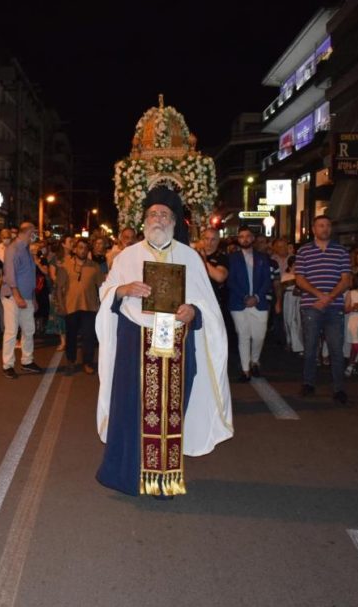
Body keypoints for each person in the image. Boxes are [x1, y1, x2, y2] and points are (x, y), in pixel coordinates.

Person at [96, 186, 233, 498]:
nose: (157, 218)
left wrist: (192, 310)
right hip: (134, 344)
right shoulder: (127, 256)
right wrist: (123, 290)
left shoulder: (190, 257)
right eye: (152, 214)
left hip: (176, 345)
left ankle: (162, 481)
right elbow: (106, 293)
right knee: (131, 409)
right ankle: (127, 476)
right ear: (144, 220)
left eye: (164, 214)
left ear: (173, 221)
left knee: (170, 410)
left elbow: (207, 304)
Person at [295, 215, 352, 404]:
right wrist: (320, 295)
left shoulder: (341, 251)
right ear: (314, 229)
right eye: (321, 225)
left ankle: (339, 388)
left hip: (334, 307)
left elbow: (346, 280)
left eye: (327, 225)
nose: (325, 229)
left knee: (336, 348)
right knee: (311, 347)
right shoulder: (304, 251)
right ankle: (308, 383)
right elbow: (300, 279)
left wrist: (330, 297)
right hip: (311, 306)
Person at [227, 225, 276, 382]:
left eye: (248, 236)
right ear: (238, 239)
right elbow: (230, 281)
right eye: (241, 237)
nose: (245, 239)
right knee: (243, 335)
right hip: (238, 302)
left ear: (253, 238)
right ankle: (245, 370)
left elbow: (267, 280)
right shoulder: (232, 258)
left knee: (259, 336)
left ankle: (254, 360)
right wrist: (244, 297)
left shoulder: (263, 258)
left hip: (259, 303)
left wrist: (257, 297)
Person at [1, 222, 43, 379]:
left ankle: (27, 361)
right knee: (12, 331)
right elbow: (10, 274)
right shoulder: (13, 249)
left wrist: (33, 298)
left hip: (26, 296)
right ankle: (8, 365)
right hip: (12, 296)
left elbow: (29, 276)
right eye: (34, 232)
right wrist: (17, 295)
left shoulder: (26, 249)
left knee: (29, 329)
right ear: (28, 232)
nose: (36, 235)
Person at [56, 237, 103, 375]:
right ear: (75, 249)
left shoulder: (95, 266)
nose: (83, 250)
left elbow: (101, 287)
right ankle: (70, 362)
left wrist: (102, 305)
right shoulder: (65, 265)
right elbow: (58, 288)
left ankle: (87, 363)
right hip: (70, 307)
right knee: (71, 336)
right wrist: (61, 305)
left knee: (88, 336)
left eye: (85, 248)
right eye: (80, 247)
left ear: (88, 250)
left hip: (90, 307)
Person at [198, 227, 234, 353]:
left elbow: (220, 277)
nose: (209, 242)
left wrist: (203, 261)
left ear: (218, 241)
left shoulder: (222, 258)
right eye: (206, 239)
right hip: (197, 303)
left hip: (214, 304)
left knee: (214, 341)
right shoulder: (193, 255)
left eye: (213, 239)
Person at [281, 255, 304, 354]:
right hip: (289, 299)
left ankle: (298, 346)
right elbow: (284, 286)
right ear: (291, 265)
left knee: (298, 322)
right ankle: (289, 341)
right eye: (295, 264)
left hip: (299, 299)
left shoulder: (301, 276)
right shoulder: (286, 275)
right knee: (288, 320)